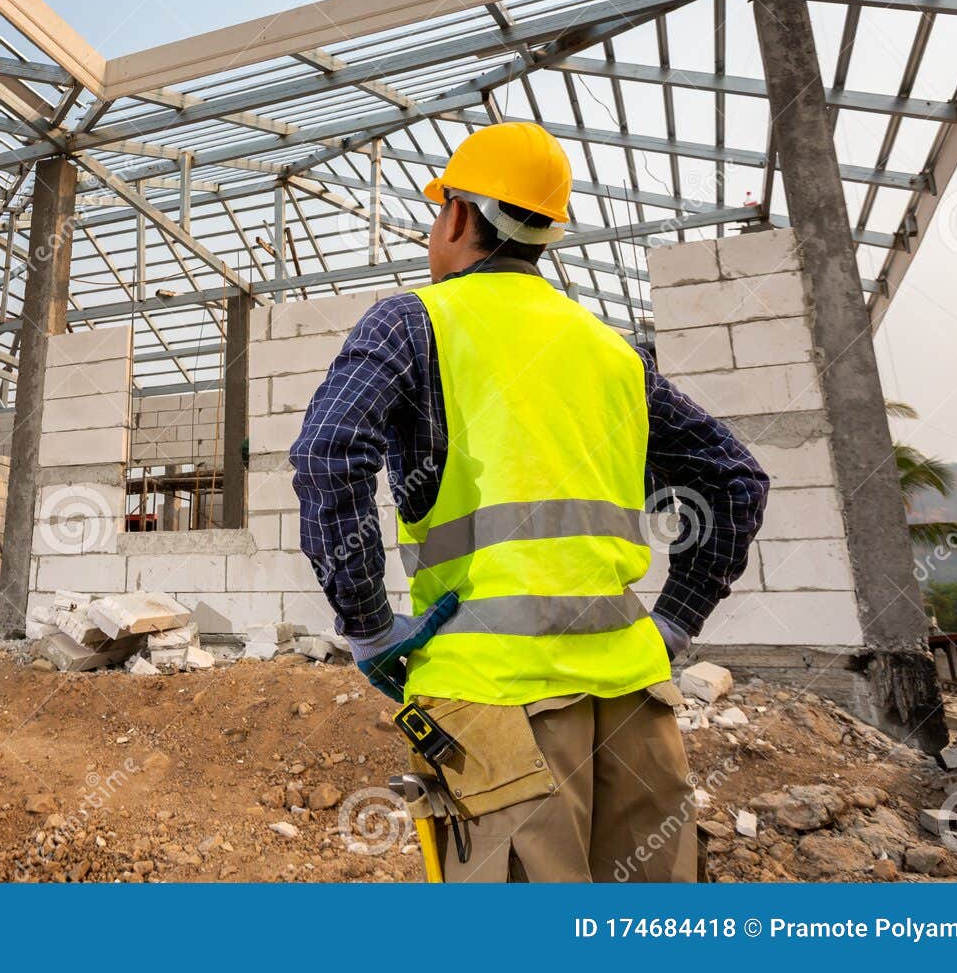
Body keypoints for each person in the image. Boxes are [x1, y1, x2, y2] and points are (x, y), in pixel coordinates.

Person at [289, 121, 768, 882]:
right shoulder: (614, 352)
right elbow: (736, 478)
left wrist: (369, 627)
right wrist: (673, 619)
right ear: (543, 232)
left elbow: (327, 455)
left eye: (437, 209)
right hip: (636, 705)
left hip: (493, 704)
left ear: (455, 215)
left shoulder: (415, 321)